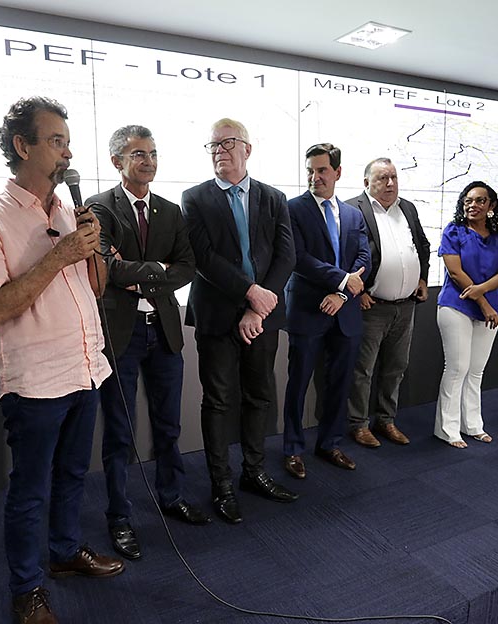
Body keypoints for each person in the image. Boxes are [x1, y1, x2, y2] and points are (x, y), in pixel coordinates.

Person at [0, 96, 123, 624]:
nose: (67, 153)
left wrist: (93, 250)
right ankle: (26, 589)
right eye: (56, 142)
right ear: (23, 146)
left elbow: (95, 288)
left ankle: (64, 552)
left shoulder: (68, 211)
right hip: (34, 382)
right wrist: (60, 254)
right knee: (30, 490)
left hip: (85, 368)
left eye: (67, 143)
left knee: (74, 473)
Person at [89, 125, 209, 562]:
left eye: (153, 153)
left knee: (168, 425)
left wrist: (139, 272)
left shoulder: (170, 211)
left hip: (164, 330)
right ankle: (119, 517)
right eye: (139, 154)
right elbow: (106, 268)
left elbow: (187, 267)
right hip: (121, 333)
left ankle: (171, 495)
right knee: (120, 431)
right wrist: (157, 269)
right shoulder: (99, 207)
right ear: (117, 161)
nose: (149, 161)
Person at [180, 118, 298, 524]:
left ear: (248, 148)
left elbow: (285, 255)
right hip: (216, 315)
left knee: (259, 396)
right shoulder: (195, 198)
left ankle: (254, 472)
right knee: (217, 401)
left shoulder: (273, 197)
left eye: (227, 143)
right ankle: (221, 484)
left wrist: (257, 307)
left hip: (261, 318)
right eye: (213, 145)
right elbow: (204, 258)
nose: (219, 151)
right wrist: (251, 294)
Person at [282, 143, 370, 477]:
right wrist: (343, 281)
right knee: (298, 383)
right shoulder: (292, 209)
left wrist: (342, 294)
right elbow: (299, 258)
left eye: (321, 170)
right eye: (310, 170)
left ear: (338, 172)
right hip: (308, 310)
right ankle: (292, 449)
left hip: (344, 312)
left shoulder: (353, 214)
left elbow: (364, 258)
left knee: (340, 382)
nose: (314, 177)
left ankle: (330, 443)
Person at [347, 158, 430, 448]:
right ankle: (358, 424)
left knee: (396, 367)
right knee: (363, 370)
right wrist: (357, 291)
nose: (390, 183)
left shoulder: (407, 208)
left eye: (393, 177)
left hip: (406, 306)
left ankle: (386, 420)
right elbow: (344, 253)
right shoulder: (352, 209)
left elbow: (422, 245)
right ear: (366, 182)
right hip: (371, 307)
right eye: (382, 178)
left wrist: (423, 278)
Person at [433, 181, 498, 448]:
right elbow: (455, 272)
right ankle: (447, 429)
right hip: (456, 305)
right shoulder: (453, 231)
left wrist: (482, 291)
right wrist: (482, 301)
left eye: (479, 200)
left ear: (491, 206)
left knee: (476, 371)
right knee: (457, 368)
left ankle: (473, 425)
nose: (472, 205)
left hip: (489, 308)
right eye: (468, 200)